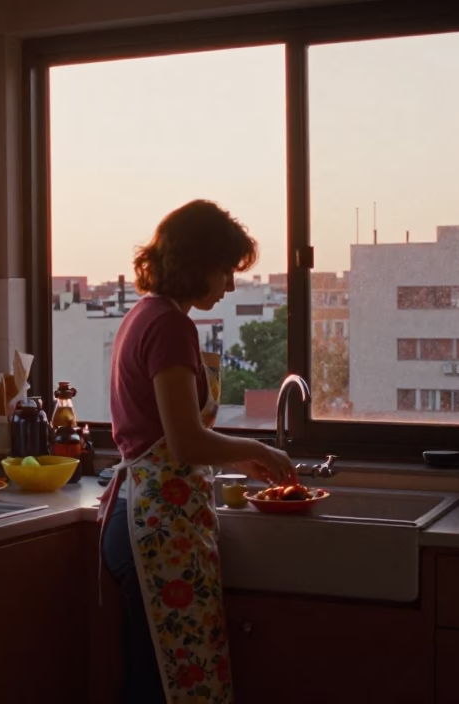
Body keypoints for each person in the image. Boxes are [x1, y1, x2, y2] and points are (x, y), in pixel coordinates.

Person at [97, 200, 297, 703]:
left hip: (144, 514)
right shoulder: (168, 326)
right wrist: (258, 449)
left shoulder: (144, 314)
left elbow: (166, 438)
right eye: (225, 270)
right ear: (197, 262)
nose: (229, 285)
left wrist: (237, 459)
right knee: (169, 685)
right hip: (156, 525)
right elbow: (184, 441)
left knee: (157, 677)